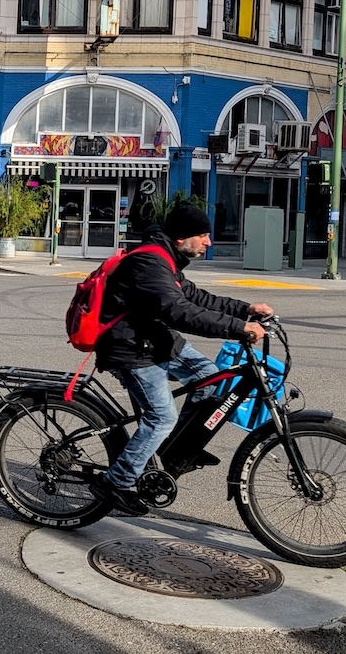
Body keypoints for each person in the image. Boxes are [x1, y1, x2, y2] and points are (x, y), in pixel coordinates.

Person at [91, 202, 273, 516]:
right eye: (202, 235)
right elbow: (178, 310)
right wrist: (238, 328)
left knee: (211, 378)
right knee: (161, 417)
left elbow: (195, 296)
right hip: (131, 349)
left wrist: (245, 309)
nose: (208, 242)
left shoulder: (166, 259)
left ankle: (173, 451)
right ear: (180, 238)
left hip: (152, 339)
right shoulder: (150, 262)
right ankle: (115, 482)